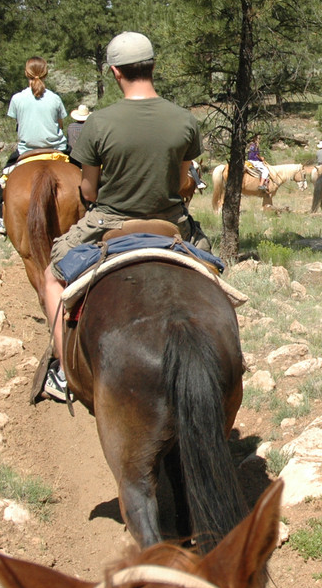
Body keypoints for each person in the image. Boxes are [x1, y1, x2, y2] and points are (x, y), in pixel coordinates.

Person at [40, 32, 207, 401]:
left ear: (116, 72)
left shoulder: (98, 123)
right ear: (152, 66)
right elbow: (183, 183)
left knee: (50, 278)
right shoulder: (184, 120)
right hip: (171, 225)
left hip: (109, 224)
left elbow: (88, 192)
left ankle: (64, 373)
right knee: (212, 270)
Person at [0, 57, 68, 235]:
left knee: (5, 178)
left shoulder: (17, 99)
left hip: (27, 150)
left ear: (26, 73)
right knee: (82, 168)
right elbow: (60, 125)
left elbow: (19, 123)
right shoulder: (55, 98)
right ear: (45, 73)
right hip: (56, 148)